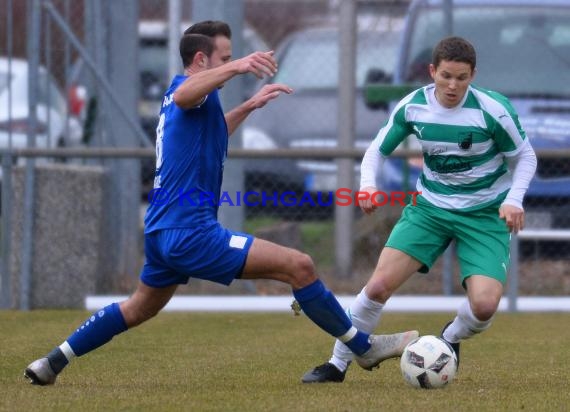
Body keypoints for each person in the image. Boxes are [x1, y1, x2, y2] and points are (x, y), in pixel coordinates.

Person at [24, 21, 418, 386]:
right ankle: (363, 349)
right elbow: (184, 94)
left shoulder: (200, 105)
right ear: (202, 60)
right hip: (191, 232)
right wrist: (241, 67)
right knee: (299, 265)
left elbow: (210, 135)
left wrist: (247, 107)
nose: (232, 64)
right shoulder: (186, 91)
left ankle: (52, 362)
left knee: (138, 308)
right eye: (226, 58)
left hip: (163, 233)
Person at [302, 36, 537, 383]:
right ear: (432, 71)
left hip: (484, 214)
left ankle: (451, 337)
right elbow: (376, 151)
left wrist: (513, 199)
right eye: (445, 76)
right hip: (430, 209)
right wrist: (368, 186)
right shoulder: (413, 105)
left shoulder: (492, 109)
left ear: (473, 75)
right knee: (378, 285)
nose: (453, 85)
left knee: (484, 306)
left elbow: (525, 156)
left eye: (462, 77)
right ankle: (338, 363)